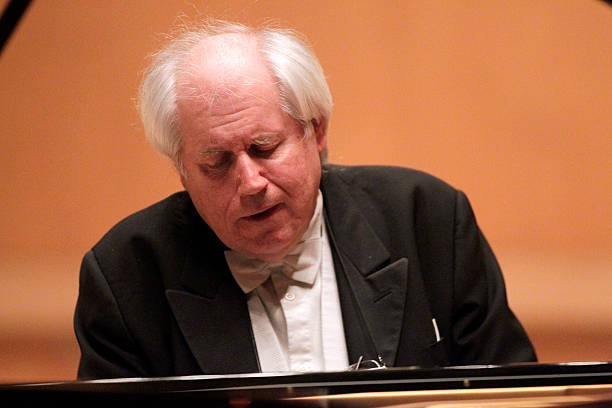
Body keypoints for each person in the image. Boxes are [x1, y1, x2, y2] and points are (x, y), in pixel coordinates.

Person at [74, 19, 536, 380]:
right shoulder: (126, 276)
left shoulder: (427, 219)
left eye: (264, 147)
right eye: (216, 162)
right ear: (181, 170)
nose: (251, 183)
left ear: (316, 131)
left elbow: (515, 394)